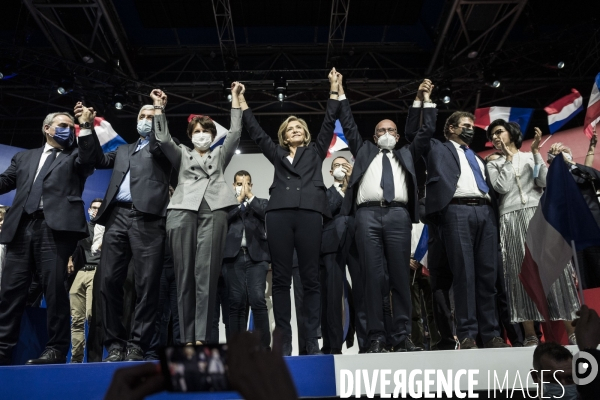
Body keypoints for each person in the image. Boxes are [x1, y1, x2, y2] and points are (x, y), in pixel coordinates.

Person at [239, 69, 341, 355]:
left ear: (305, 134)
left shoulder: (316, 151)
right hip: (279, 215)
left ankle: (311, 341)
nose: (294, 130)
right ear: (283, 136)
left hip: (309, 214)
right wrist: (242, 102)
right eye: (289, 128)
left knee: (310, 279)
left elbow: (329, 121)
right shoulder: (277, 154)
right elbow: (257, 133)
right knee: (281, 280)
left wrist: (333, 89)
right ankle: (283, 343)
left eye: (299, 127)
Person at [337, 78, 436, 353]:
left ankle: (402, 336)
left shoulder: (407, 152)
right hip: (366, 216)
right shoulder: (365, 150)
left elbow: (426, 130)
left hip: (398, 216)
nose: (387, 133)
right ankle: (377, 337)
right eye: (382, 130)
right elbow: (348, 124)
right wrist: (342, 94)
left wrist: (423, 99)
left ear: (398, 135)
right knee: (371, 278)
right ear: (374, 136)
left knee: (400, 278)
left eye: (392, 129)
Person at [74, 99, 172, 362]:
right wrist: (85, 126)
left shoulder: (164, 147)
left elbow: (163, 141)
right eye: (142, 115)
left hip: (148, 218)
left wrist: (159, 110)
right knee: (108, 282)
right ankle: (115, 344)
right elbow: (91, 158)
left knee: (147, 284)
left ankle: (138, 345)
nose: (146, 120)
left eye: (151, 117)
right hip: (116, 216)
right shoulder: (124, 150)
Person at [0, 109, 98, 365]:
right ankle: (2, 349)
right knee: (10, 292)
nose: (69, 128)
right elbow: (6, 181)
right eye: (63, 125)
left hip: (55, 229)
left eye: (71, 125)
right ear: (47, 128)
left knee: (54, 291)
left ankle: (56, 349)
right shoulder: (24, 157)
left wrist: (85, 125)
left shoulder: (76, 154)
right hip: (21, 227)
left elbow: (90, 157)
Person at [150, 83, 242, 345]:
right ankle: (186, 339)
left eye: (206, 131)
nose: (201, 135)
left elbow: (235, 132)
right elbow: (163, 138)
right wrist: (159, 108)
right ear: (190, 135)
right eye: (197, 131)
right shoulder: (181, 154)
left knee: (206, 275)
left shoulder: (221, 154)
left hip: (214, 211)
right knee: (184, 276)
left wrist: (235, 99)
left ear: (213, 135)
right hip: (181, 211)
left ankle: (201, 338)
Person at [419, 105, 508, 349]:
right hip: (456, 211)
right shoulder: (437, 148)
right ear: (451, 128)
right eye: (465, 126)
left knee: (487, 278)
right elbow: (419, 133)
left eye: (472, 127)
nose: (470, 130)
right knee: (465, 275)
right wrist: (425, 103)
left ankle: (491, 334)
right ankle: (468, 334)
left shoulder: (479, 158)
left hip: (486, 212)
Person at [487, 121, 579, 346]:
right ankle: (530, 333)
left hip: (539, 216)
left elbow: (543, 181)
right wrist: (508, 160)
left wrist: (537, 153)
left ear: (511, 133)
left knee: (556, 271)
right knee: (519, 273)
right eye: (493, 135)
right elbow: (502, 187)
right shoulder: (494, 163)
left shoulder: (530, 157)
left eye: (500, 132)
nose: (496, 137)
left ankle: (573, 330)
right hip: (510, 217)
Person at [320, 156, 368, 354]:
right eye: (336, 166)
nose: (341, 168)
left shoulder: (359, 190)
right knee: (331, 297)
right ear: (331, 172)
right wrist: (342, 190)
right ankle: (333, 345)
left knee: (362, 293)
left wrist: (351, 186)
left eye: (344, 165)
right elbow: (327, 210)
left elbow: (362, 212)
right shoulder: (324, 192)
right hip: (331, 244)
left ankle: (366, 343)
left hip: (357, 244)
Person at [222, 170, 271, 349]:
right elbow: (223, 221)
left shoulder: (260, 203)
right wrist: (237, 201)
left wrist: (249, 197)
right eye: (239, 183)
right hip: (232, 257)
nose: (243, 187)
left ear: (251, 185)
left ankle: (263, 348)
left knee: (258, 299)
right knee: (236, 302)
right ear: (233, 186)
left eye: (247, 183)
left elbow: (266, 214)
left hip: (256, 258)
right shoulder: (227, 205)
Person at [548, 143, 600, 290]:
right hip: (573, 236)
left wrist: (571, 163)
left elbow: (597, 178)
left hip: (594, 230)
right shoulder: (554, 178)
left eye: (562, 153)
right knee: (584, 282)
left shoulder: (582, 173)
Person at [68, 198, 104, 363]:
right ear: (89, 209)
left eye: (99, 208)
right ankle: (76, 358)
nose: (95, 210)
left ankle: (94, 358)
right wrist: (69, 258)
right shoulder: (82, 228)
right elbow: (71, 244)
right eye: (93, 208)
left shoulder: (108, 228)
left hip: (98, 271)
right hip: (81, 272)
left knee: (92, 316)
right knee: (76, 318)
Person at [409, 222, 441, 350]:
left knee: (432, 308)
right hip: (410, 265)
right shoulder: (405, 217)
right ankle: (418, 345)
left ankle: (436, 343)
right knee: (414, 310)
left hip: (428, 263)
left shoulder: (427, 217)